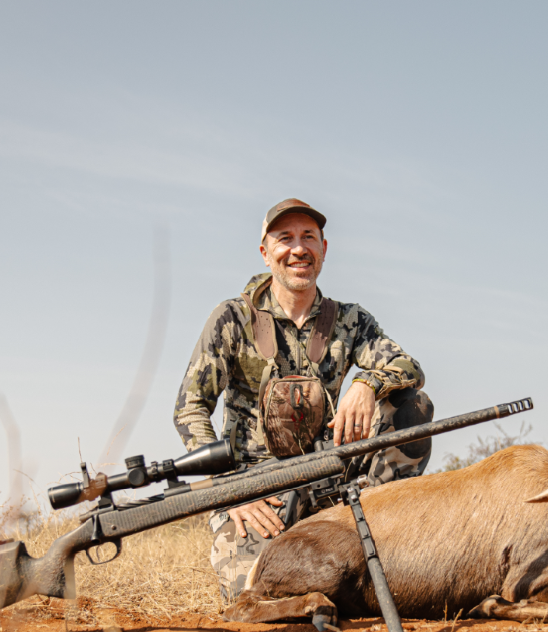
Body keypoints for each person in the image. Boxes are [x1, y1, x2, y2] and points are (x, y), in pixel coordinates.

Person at [174, 199, 434, 601]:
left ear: (324, 249)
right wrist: (230, 489)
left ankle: (382, 517)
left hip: (332, 477)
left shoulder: (350, 319)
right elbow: (189, 407)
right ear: (266, 252)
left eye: (308, 237)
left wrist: (367, 384)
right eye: (285, 238)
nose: (298, 249)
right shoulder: (231, 318)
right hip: (258, 490)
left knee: (413, 406)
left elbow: (407, 366)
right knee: (257, 594)